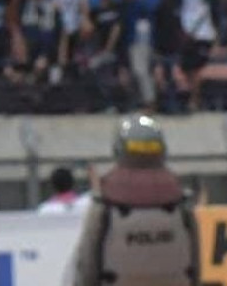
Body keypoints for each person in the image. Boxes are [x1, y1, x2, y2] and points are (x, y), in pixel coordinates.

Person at [70, 114, 200, 286]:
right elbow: (195, 263)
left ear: (118, 149)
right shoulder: (182, 201)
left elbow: (88, 263)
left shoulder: (104, 202)